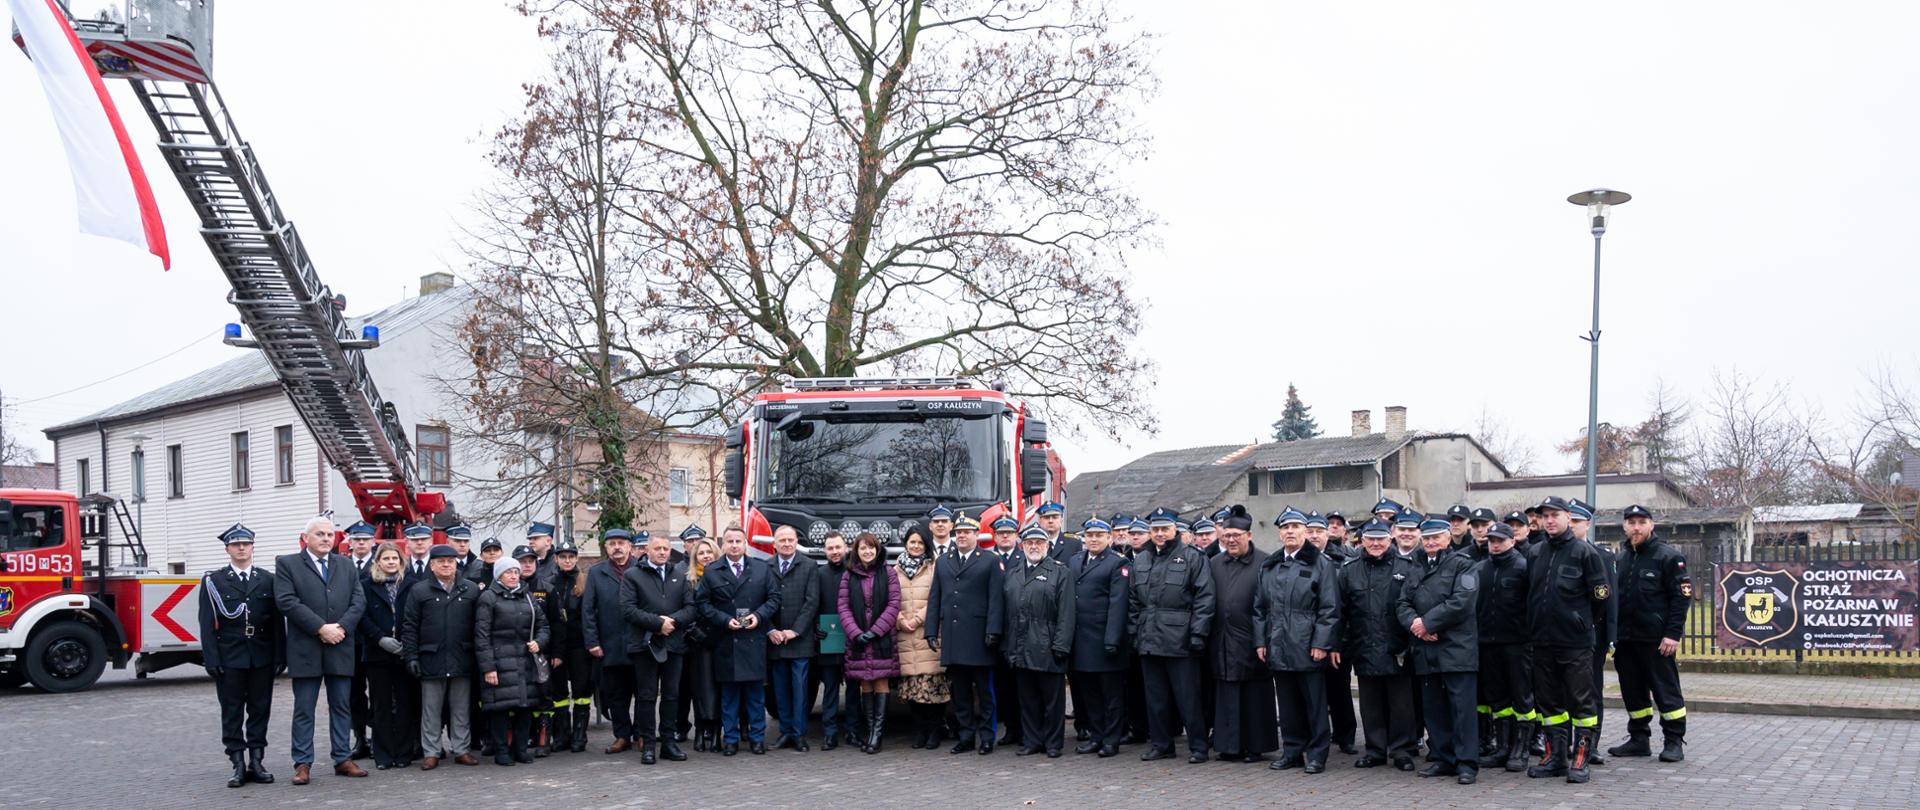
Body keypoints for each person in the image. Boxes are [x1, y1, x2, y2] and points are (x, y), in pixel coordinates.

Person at [274, 515, 369, 784]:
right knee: (304, 708)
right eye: (320, 534)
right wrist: (320, 628)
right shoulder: (288, 564)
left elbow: (358, 600)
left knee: (341, 706)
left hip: (340, 645)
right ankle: (302, 763)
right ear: (305, 538)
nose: (327, 539)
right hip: (306, 648)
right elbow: (287, 601)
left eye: (330, 534)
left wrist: (341, 627)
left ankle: (342, 758)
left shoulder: (346, 564)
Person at [1526, 496, 1610, 783]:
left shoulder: (1585, 553)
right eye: (1545, 516)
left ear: (1567, 517)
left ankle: (1581, 758)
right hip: (1542, 641)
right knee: (1549, 705)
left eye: (1555, 515)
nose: (1549, 520)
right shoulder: (1535, 552)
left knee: (1581, 704)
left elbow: (1600, 597)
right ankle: (1555, 758)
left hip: (1574, 643)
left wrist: (1582, 622)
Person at [1130, 506, 1216, 764]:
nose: (1159, 534)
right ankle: (1161, 744)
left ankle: (1198, 746)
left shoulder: (1192, 557)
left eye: (1164, 529)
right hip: (1149, 638)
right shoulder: (1142, 559)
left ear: (1175, 530)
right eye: (1155, 529)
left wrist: (1198, 635)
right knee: (1155, 698)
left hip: (1181, 640)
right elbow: (1133, 601)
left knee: (1188, 698)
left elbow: (1205, 598)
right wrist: (1134, 634)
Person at [1255, 506, 1339, 773]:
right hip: (1278, 644)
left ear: (1306, 531)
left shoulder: (1320, 564)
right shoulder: (1270, 564)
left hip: (1307, 645)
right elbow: (1259, 608)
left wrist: (1321, 643)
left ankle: (1317, 755)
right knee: (1288, 704)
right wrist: (1261, 641)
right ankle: (1292, 751)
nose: (1290, 532)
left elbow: (1329, 608)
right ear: (1280, 534)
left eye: (1295, 527)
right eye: (1285, 528)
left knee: (1314, 705)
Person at [1398, 518, 1481, 785]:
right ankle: (1444, 759)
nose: (1431, 543)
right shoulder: (1415, 566)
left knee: (1462, 710)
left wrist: (1428, 623)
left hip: (1456, 649)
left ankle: (1467, 763)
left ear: (1448, 538)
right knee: (1434, 709)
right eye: (1428, 538)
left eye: (1437, 537)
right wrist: (1415, 624)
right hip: (1426, 649)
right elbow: (1401, 602)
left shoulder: (1463, 564)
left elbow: (1462, 602)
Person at [199, 523, 283, 788]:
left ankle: (257, 761)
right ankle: (237, 762)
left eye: (246, 544)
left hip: (261, 654)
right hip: (230, 654)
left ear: (252, 547)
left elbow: (277, 622)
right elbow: (206, 622)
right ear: (228, 549)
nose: (242, 548)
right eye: (236, 544)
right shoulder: (214, 581)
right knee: (232, 710)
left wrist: (281, 655)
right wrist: (211, 659)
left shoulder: (268, 579)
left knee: (260, 709)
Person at [1608, 504, 1692, 763]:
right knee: (1632, 691)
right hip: (1626, 639)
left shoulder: (1668, 557)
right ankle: (1639, 739)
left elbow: (1682, 598)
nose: (1636, 527)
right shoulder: (1620, 559)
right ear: (1624, 526)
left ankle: (1674, 740)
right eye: (1631, 522)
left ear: (1651, 525)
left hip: (1656, 640)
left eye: (1641, 522)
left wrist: (1672, 634)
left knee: (1666, 690)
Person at [924, 511, 1006, 755]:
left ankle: (987, 737)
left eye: (967, 532)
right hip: (953, 636)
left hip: (980, 637)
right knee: (960, 694)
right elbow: (935, 598)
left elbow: (996, 600)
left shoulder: (989, 560)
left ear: (976, 535)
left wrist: (993, 630)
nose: (962, 536)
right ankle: (966, 736)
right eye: (958, 532)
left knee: (985, 693)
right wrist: (930, 630)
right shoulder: (943, 561)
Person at [1340, 519, 1417, 771]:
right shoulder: (1349, 569)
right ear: (1362, 541)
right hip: (1363, 644)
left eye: (1380, 538)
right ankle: (1375, 750)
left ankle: (1402, 751)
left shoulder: (1407, 566)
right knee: (1370, 704)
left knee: (1401, 704)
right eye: (1370, 538)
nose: (1375, 543)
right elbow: (1341, 611)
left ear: (1390, 538)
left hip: (1398, 647)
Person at [700, 526, 782, 755]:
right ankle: (731, 740)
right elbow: (703, 604)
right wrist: (724, 620)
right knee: (729, 697)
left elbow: (774, 598)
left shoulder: (761, 568)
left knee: (756, 696)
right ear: (723, 544)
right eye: (730, 541)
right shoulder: (712, 571)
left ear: (745, 543)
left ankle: (757, 738)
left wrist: (759, 616)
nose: (734, 545)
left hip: (754, 640)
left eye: (738, 540)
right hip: (727, 641)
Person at [401, 542, 481, 770]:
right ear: (432, 565)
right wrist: (411, 657)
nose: (446, 565)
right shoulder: (419, 591)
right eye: (441, 561)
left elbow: (479, 625)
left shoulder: (470, 589)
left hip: (462, 656)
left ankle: (462, 749)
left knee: (461, 707)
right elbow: (410, 626)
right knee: (431, 709)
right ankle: (431, 751)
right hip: (431, 657)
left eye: (450, 561)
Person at [992, 524, 1070, 758]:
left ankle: (1053, 743)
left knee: (1052, 701)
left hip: (1047, 646)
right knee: (1027, 700)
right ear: (1022, 545)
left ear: (1047, 546)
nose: (1034, 546)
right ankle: (1032, 740)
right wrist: (1007, 645)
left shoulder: (1060, 572)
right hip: (1020, 647)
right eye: (1029, 543)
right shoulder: (1013, 573)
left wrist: (1061, 645)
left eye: (1039, 542)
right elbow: (1006, 613)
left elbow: (1067, 614)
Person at [1210, 506, 1278, 764]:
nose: (1231, 540)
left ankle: (1255, 745)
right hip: (1222, 639)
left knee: (1254, 695)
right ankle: (1229, 745)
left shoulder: (1265, 562)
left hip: (1253, 639)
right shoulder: (1214, 563)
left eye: (1236, 535)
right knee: (1227, 693)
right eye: (1226, 535)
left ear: (1249, 535)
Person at [622, 530, 698, 764]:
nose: (663, 552)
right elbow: (627, 608)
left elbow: (691, 607)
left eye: (666, 548)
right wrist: (657, 624)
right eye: (658, 548)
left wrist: (671, 622)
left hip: (673, 643)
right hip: (645, 645)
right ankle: (648, 745)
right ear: (648, 550)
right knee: (646, 697)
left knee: (671, 696)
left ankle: (669, 743)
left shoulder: (680, 574)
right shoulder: (633, 575)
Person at [475, 558, 550, 766]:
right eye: (508, 572)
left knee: (524, 708)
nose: (514, 576)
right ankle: (501, 751)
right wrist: (488, 667)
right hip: (499, 662)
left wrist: (539, 642)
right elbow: (482, 636)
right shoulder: (488, 598)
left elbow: (544, 625)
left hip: (525, 661)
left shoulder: (527, 596)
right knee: (499, 709)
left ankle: (520, 749)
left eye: (516, 572)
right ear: (499, 575)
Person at [1475, 521, 1535, 773]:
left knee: (1522, 698)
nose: (1495, 544)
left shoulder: (1524, 568)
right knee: (1497, 699)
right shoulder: (1480, 569)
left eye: (1500, 540)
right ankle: (1502, 748)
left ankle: (1521, 749)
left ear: (1512, 541)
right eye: (1491, 540)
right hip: (1488, 644)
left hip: (1518, 644)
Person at [1066, 517, 1129, 757]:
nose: (1093, 539)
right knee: (1089, 694)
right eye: (1089, 535)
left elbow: (1118, 604)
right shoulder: (1074, 561)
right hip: (1081, 640)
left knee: (1111, 696)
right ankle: (1097, 736)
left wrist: (1112, 639)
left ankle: (1111, 740)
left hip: (1105, 640)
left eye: (1098, 535)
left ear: (1109, 538)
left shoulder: (1117, 564)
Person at [839, 532, 903, 753]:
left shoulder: (889, 573)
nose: (867, 552)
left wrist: (875, 631)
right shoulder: (849, 575)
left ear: (877, 550)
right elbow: (843, 607)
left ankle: (877, 734)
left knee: (881, 683)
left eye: (871, 547)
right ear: (856, 551)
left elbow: (894, 604)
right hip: (857, 639)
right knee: (865, 684)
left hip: (882, 638)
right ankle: (869, 731)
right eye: (863, 548)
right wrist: (856, 633)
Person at [358, 542, 418, 770]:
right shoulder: (366, 585)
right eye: (386, 559)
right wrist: (379, 638)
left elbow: (417, 616)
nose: (391, 562)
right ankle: (383, 754)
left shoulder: (412, 584)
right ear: (378, 562)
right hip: (377, 654)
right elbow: (362, 617)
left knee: (405, 704)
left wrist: (408, 643)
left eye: (395, 558)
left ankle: (403, 753)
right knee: (380, 704)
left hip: (405, 652)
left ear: (401, 561)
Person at [583, 528, 640, 754]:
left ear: (630, 547)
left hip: (639, 644)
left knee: (643, 693)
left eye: (621, 543)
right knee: (616, 694)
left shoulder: (641, 568)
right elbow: (588, 609)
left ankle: (642, 734)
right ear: (606, 548)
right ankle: (622, 736)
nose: (617, 547)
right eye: (612, 543)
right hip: (610, 644)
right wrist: (592, 642)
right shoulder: (597, 572)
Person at [1570, 499, 1618, 766]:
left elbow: (1609, 599)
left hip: (1592, 636)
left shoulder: (1602, 556)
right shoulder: (1555, 553)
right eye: (1571, 520)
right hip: (1563, 636)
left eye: (1578, 521)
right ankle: (1566, 743)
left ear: (1587, 524)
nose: (1574, 525)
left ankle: (1592, 743)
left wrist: (1609, 634)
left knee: (1591, 692)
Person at [1305, 511, 1356, 755]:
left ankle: (1345, 737)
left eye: (1319, 531)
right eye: (1310, 531)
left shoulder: (1342, 561)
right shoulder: (1296, 559)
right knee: (1311, 692)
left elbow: (1344, 605)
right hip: (1305, 638)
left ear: (1329, 534)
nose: (1314, 536)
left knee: (1339, 691)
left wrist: (1337, 643)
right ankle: (1312, 735)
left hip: (1336, 638)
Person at [766, 524, 821, 751]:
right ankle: (785, 732)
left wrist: (795, 630)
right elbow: (759, 601)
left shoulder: (809, 566)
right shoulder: (765, 567)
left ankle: (799, 734)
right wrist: (771, 629)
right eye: (782, 540)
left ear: (796, 542)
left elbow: (812, 602)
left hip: (800, 640)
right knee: (780, 690)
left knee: (800, 690)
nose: (787, 544)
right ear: (774, 544)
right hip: (776, 639)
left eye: (790, 540)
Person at [893, 529, 949, 750]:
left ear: (926, 545)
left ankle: (935, 731)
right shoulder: (894, 571)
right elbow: (889, 600)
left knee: (933, 688)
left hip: (929, 633)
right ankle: (920, 730)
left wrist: (917, 619)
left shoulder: (934, 568)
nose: (915, 546)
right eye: (911, 542)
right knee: (912, 689)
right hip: (904, 635)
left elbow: (939, 597)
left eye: (919, 543)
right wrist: (899, 620)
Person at [808, 531, 855, 749]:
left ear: (846, 548)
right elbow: (812, 605)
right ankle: (830, 733)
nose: (835, 552)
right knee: (830, 690)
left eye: (838, 547)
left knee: (854, 689)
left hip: (853, 640)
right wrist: (816, 627)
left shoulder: (855, 572)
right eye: (830, 548)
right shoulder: (819, 574)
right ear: (824, 551)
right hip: (828, 641)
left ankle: (853, 731)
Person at [545, 538, 593, 754]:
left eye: (571, 557)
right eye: (563, 557)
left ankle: (579, 735)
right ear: (556, 558)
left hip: (579, 646)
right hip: (557, 647)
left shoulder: (584, 581)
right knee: (559, 693)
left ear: (576, 559)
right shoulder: (548, 583)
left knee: (582, 691)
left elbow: (591, 614)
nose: (567, 560)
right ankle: (561, 734)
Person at [681, 536, 723, 752]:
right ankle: (699, 730)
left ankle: (716, 731)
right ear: (694, 557)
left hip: (720, 641)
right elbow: (685, 609)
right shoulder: (688, 580)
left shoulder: (725, 577)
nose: (706, 556)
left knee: (718, 689)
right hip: (697, 643)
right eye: (701, 553)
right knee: (699, 689)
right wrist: (696, 633)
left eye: (709, 552)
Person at [343, 521, 377, 762]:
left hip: (373, 639)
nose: (361, 543)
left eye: (365, 539)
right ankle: (359, 737)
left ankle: (378, 735)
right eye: (357, 539)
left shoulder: (382, 564)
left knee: (378, 691)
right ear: (350, 542)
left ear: (372, 542)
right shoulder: (342, 567)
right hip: (350, 640)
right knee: (354, 693)